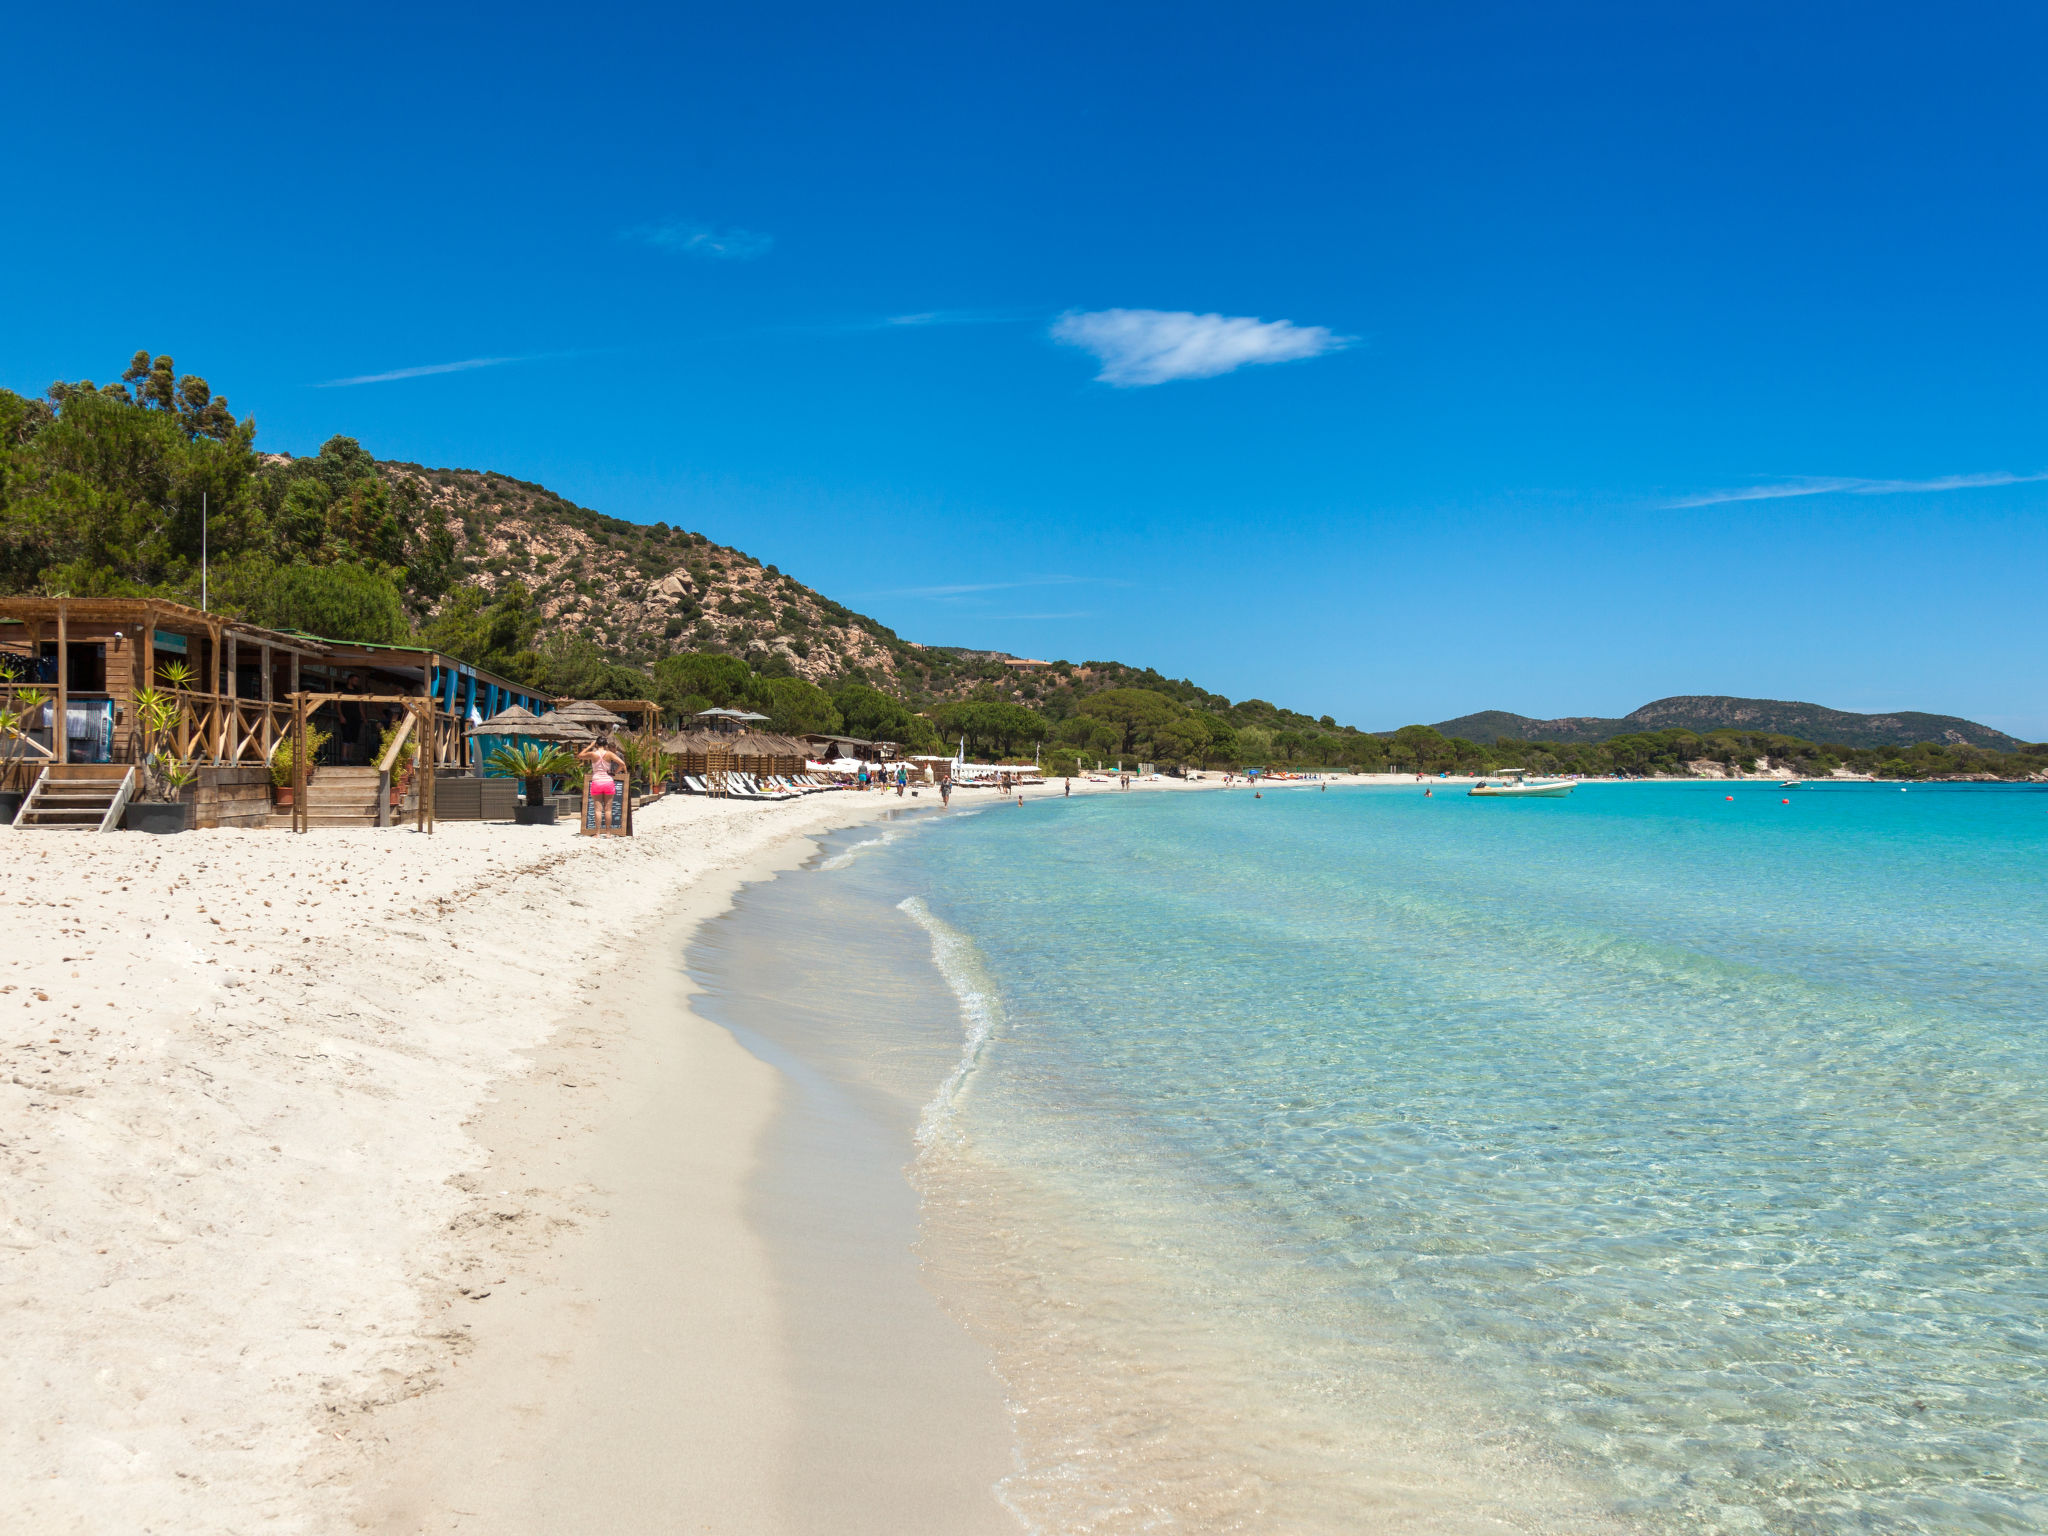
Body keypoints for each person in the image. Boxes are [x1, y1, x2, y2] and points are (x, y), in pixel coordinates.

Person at [580, 734, 625, 829]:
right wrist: (614, 772)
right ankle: (608, 833)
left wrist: (590, 746)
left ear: (596, 744)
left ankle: (597, 833)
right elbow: (622, 764)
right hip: (608, 781)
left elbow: (580, 755)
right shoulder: (609, 754)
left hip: (596, 781)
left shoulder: (593, 754)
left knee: (597, 810)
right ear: (606, 745)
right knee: (608, 810)